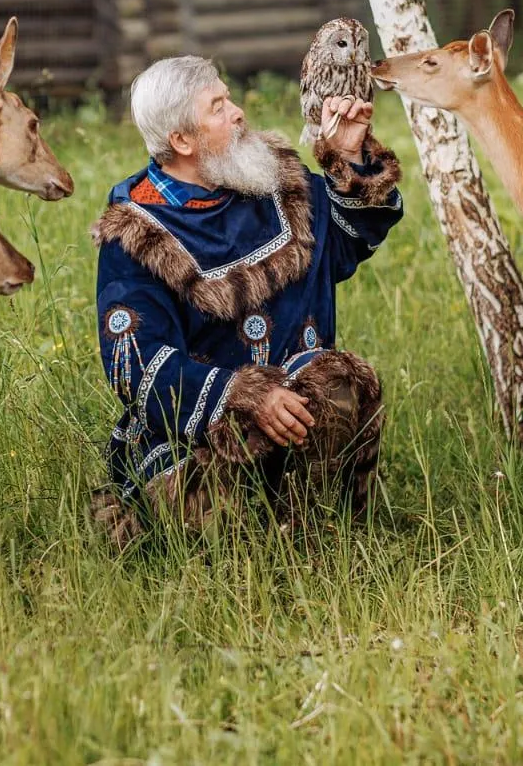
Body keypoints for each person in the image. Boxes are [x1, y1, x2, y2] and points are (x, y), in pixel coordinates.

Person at [89, 55, 404, 547]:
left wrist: (347, 154)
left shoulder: (273, 182)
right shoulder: (138, 233)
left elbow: (347, 243)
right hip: (200, 443)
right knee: (219, 537)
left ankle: (320, 541)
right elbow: (138, 365)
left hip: (301, 414)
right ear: (182, 141)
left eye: (229, 97)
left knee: (338, 380)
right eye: (217, 106)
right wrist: (244, 393)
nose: (237, 112)